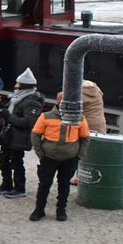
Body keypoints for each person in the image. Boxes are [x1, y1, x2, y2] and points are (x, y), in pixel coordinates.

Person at [29, 92, 89, 221]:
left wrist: (79, 156)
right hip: (49, 158)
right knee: (44, 184)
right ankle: (39, 209)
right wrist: (41, 154)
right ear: (58, 102)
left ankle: (61, 210)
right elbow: (35, 135)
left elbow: (85, 138)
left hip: (69, 158)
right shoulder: (46, 116)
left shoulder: (80, 118)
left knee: (64, 184)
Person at [0, 68, 45, 199]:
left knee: (16, 162)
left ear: (25, 85)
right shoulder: (17, 97)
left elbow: (27, 122)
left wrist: (7, 115)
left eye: (18, 83)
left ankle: (20, 188)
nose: (15, 85)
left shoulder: (32, 101)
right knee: (3, 160)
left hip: (19, 138)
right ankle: (6, 184)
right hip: (9, 136)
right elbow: (7, 112)